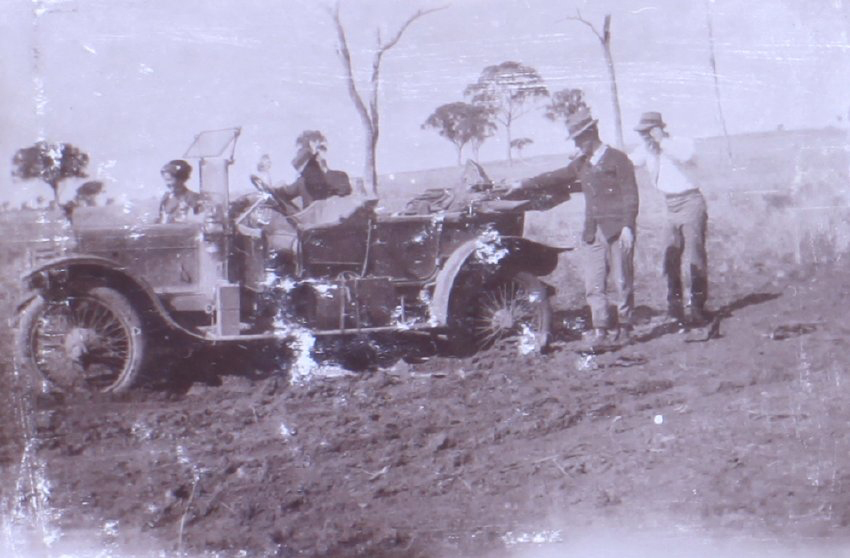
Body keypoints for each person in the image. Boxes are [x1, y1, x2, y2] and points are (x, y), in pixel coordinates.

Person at [508, 107, 639, 348]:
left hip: (618, 228)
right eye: (576, 139)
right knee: (594, 283)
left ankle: (625, 326)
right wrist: (524, 182)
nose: (578, 143)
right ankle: (601, 329)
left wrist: (629, 227)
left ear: (592, 133)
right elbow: (556, 176)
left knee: (622, 281)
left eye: (580, 138)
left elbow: (631, 195)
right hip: (593, 231)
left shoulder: (618, 159)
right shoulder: (581, 163)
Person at [630, 112, 708, 326]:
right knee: (670, 257)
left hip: (691, 201)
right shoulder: (646, 150)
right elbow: (627, 163)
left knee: (694, 257)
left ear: (659, 128)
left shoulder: (681, 143)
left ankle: (697, 307)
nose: (644, 136)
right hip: (669, 206)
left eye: (647, 131)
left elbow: (684, 156)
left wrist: (661, 140)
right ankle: (674, 308)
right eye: (642, 132)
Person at [157, 159, 204, 224]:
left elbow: (199, 221)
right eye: (166, 180)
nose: (168, 183)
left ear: (182, 179)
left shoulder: (192, 198)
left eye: (170, 179)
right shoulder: (166, 198)